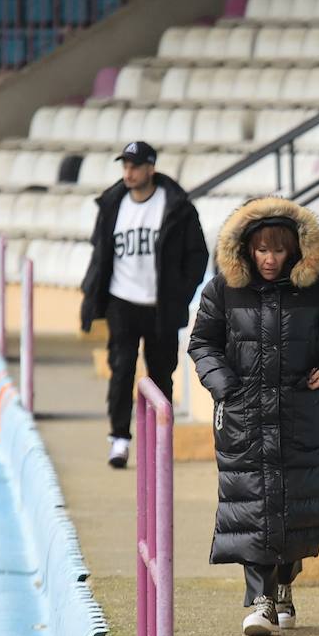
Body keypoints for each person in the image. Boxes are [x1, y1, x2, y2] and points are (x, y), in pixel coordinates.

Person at [189, 197, 319, 636]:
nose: (269, 259)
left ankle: (285, 584)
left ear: (295, 250)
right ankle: (260, 600)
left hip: (301, 415)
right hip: (244, 415)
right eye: (262, 249)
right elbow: (202, 344)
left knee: (295, 505)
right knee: (253, 503)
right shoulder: (222, 290)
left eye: (278, 250)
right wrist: (224, 384)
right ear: (245, 248)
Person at [80, 140, 209, 468]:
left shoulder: (175, 205)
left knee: (161, 373)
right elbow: (100, 254)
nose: (129, 172)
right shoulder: (113, 204)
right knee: (121, 368)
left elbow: (198, 254)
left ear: (151, 168)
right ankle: (119, 438)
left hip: (161, 305)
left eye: (135, 166)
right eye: (125, 166)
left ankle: (159, 441)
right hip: (122, 301)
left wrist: (180, 292)